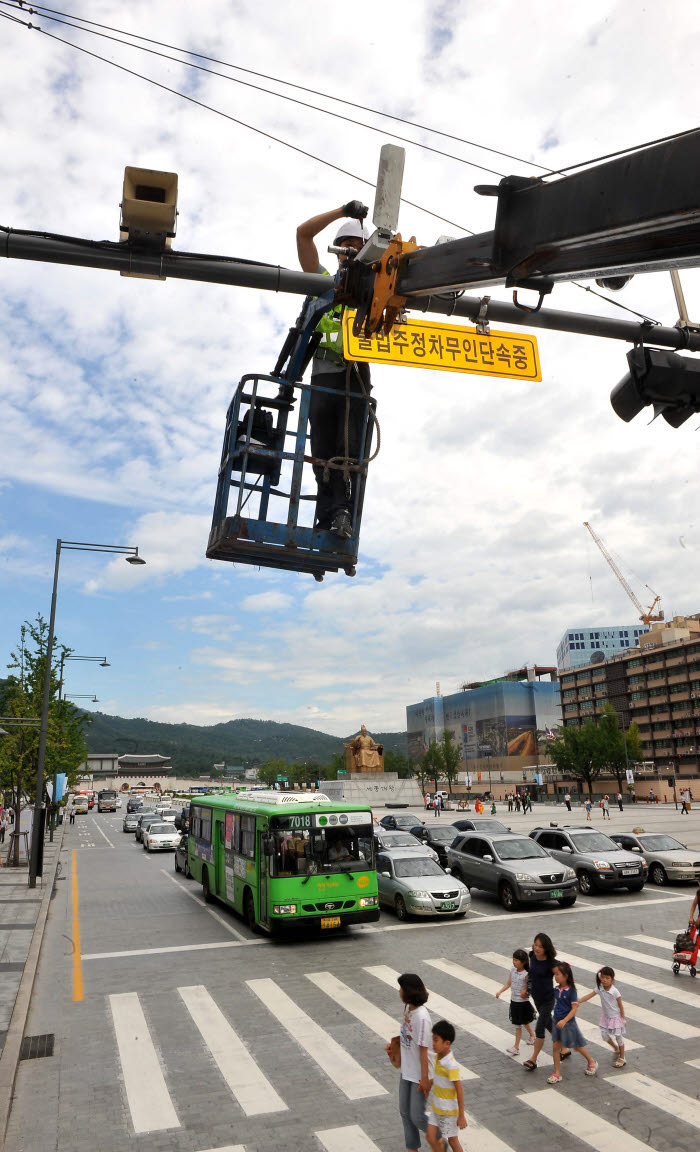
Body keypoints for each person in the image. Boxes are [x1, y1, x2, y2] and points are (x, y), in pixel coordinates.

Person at [296, 202, 372, 538]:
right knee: (322, 450)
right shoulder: (323, 282)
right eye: (344, 248)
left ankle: (342, 513)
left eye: (356, 249)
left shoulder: (375, 292)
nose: (349, 254)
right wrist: (343, 212)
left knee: (349, 446)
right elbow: (303, 234)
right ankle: (326, 517)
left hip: (356, 374)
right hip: (324, 374)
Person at [386, 972, 431, 1152]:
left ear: (408, 991)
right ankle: (412, 1149)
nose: (399, 991)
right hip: (407, 1069)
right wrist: (394, 1047)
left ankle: (439, 1136)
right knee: (405, 1113)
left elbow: (424, 1050)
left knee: (417, 1116)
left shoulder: (422, 1017)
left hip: (420, 1073)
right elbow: (407, 1038)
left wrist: (425, 1079)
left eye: (401, 988)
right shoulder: (408, 1009)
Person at [523, 933, 569, 1071]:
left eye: (540, 947)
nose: (536, 948)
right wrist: (526, 989)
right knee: (548, 1023)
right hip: (536, 997)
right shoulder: (532, 956)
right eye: (535, 945)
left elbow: (564, 973)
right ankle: (565, 1047)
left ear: (546, 948)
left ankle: (533, 1059)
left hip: (548, 999)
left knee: (540, 1027)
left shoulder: (551, 962)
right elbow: (531, 974)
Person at [547, 961, 598, 1084]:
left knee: (577, 1046)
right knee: (555, 1047)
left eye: (557, 974)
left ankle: (591, 1061)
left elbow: (574, 1008)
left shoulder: (571, 992)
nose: (555, 976)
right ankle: (557, 1073)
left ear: (565, 975)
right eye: (555, 974)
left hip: (568, 1023)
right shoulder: (556, 989)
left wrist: (565, 1020)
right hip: (557, 1022)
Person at [425, 1020, 467, 1152]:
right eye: (433, 1039)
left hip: (448, 1111)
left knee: (453, 1141)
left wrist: (461, 1115)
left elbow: (459, 1090)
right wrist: (428, 1085)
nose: (433, 1043)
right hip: (437, 1108)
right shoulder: (438, 1057)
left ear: (447, 1043)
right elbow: (437, 1078)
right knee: (430, 1137)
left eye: (436, 1040)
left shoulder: (451, 1065)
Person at [578, 966, 626, 1068]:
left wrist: (622, 1018)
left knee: (619, 1038)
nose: (604, 980)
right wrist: (579, 1000)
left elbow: (620, 1005)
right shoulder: (600, 989)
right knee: (604, 1036)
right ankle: (615, 1048)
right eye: (603, 977)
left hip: (616, 1018)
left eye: (607, 978)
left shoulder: (615, 991)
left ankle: (622, 1057)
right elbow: (589, 995)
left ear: (612, 980)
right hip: (606, 1017)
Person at [496, 949, 536, 1056]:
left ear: (523, 962)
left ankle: (516, 1047)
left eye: (516, 960)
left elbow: (529, 989)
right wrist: (500, 991)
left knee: (518, 1025)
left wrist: (526, 992)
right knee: (523, 1021)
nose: (514, 962)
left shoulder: (526, 974)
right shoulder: (512, 971)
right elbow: (508, 984)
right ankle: (532, 1035)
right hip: (513, 1002)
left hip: (522, 1003)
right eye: (513, 959)